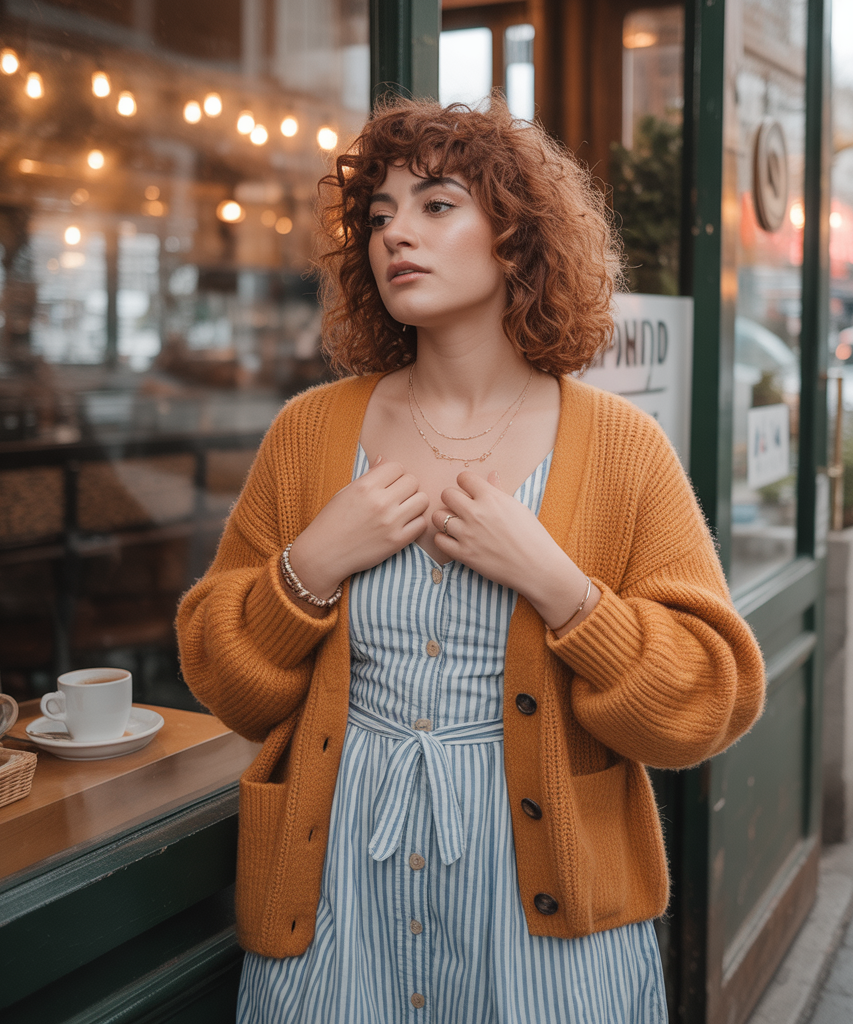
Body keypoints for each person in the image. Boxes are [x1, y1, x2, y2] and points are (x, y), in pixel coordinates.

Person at [176, 96, 766, 1024]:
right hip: (338, 890)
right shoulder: (309, 432)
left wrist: (565, 593)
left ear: (517, 237)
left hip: (546, 906)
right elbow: (223, 678)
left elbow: (707, 701)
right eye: (379, 216)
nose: (395, 234)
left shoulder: (621, 448)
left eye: (436, 205)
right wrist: (307, 570)